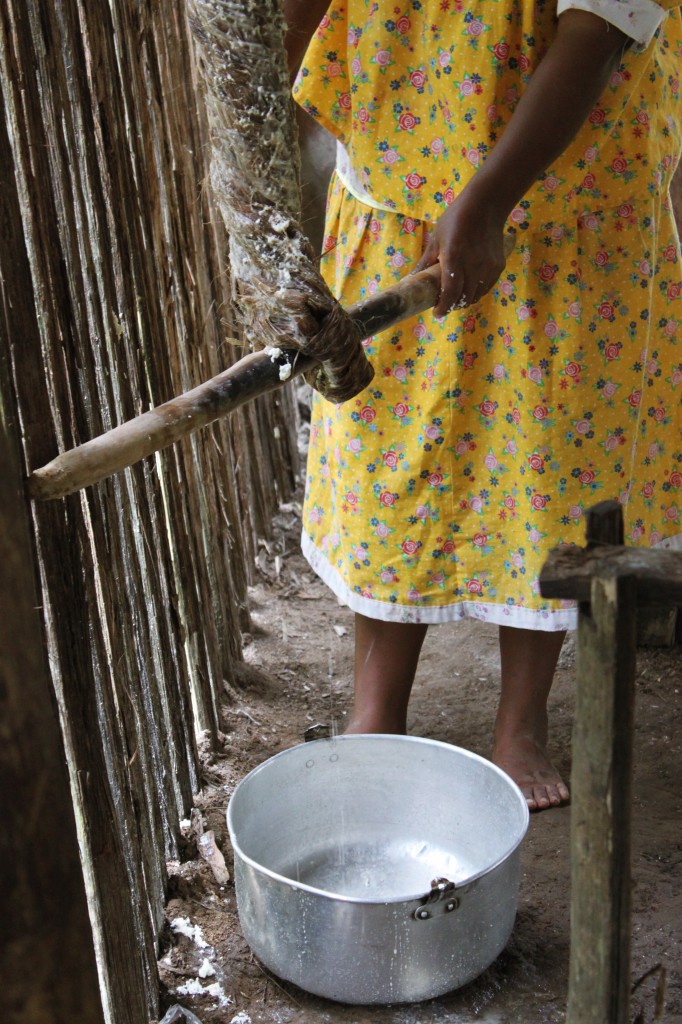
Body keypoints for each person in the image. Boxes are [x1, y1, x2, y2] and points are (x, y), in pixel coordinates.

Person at [284, 0, 682, 810]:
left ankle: (521, 722)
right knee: (389, 451)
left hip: (567, 189)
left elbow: (600, 23)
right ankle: (377, 707)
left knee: (548, 465)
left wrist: (492, 197)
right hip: (400, 173)